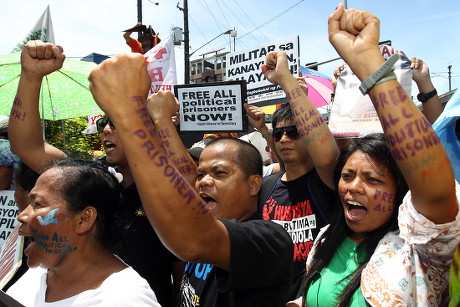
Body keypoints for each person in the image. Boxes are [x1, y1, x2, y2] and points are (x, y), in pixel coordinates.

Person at [285, 4, 459, 306]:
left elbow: (435, 189)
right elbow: (326, 158)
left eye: (372, 179)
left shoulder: (420, 249)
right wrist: (289, 84)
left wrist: (368, 63)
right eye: (348, 175)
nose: (352, 187)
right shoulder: (325, 240)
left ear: (402, 190)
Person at [88, 54, 294, 306]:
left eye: (220, 174)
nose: (204, 182)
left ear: (254, 184)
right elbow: (185, 176)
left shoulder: (269, 240)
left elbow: (191, 242)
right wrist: (162, 119)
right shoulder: (205, 214)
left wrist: (128, 112)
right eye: (201, 174)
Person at [8, 40, 182, 307]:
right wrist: (31, 76)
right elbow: (26, 146)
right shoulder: (92, 179)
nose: (106, 130)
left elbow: (181, 270)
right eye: (104, 123)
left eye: (117, 122)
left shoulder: (171, 190)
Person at [6, 158, 160, 306]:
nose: (22, 216)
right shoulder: (36, 277)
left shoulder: (125, 299)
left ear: (84, 219)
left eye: (37, 204)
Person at [245, 67, 339, 300]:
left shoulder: (324, 181)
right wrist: (264, 129)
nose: (284, 139)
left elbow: (326, 155)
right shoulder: (267, 186)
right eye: (278, 134)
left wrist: (296, 93)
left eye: (294, 132)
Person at [0, 116, 20, 190]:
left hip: (6, 198)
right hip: (22, 197)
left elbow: (2, 183)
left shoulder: (1, 146)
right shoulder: (25, 148)